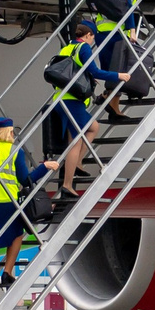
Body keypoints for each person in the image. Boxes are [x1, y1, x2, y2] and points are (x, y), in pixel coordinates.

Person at [0, 115, 52, 302]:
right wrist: (45, 167)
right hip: (7, 203)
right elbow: (25, 179)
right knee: (17, 235)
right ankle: (7, 271)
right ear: (8, 132)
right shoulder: (14, 151)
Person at [51, 20, 121, 197]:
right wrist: (119, 75)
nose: (92, 41)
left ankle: (78, 164)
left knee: (88, 129)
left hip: (61, 99)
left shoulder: (67, 48)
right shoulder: (84, 48)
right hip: (72, 101)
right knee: (77, 139)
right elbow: (96, 71)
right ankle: (67, 184)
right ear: (88, 35)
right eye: (92, 37)